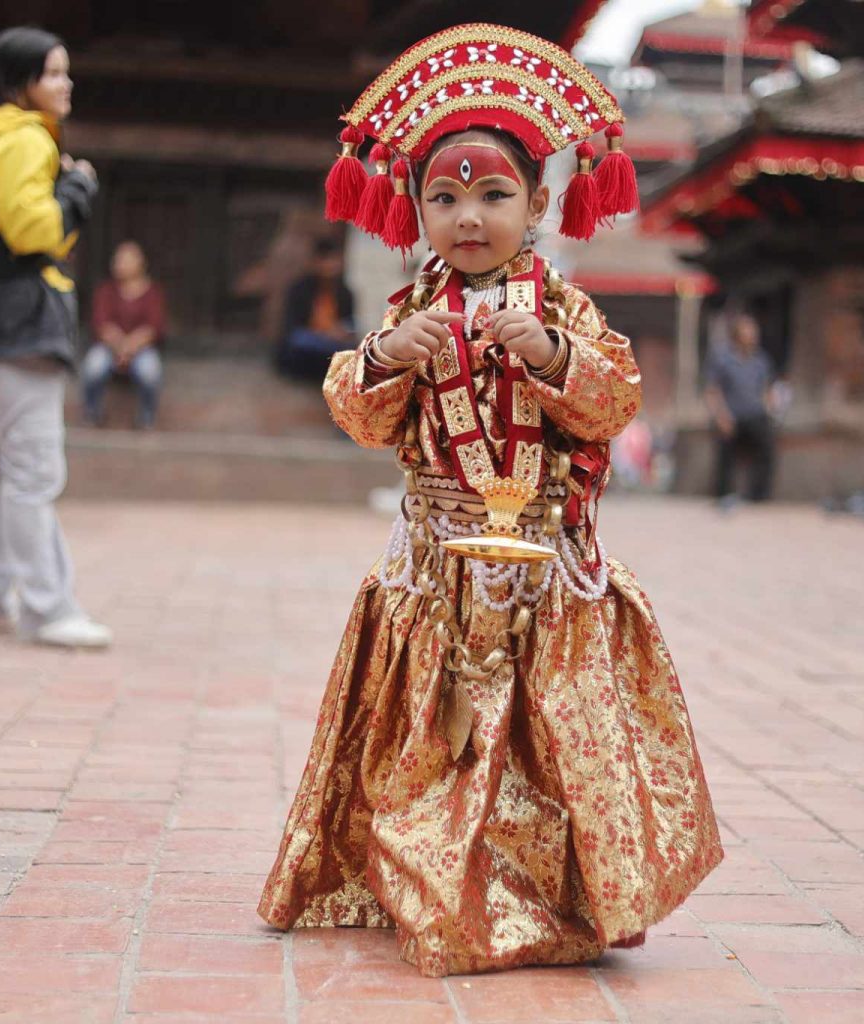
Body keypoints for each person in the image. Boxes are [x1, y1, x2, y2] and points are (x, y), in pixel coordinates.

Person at [258, 25, 722, 977]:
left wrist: (550, 355)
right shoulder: (409, 310)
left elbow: (617, 397)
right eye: (445, 197)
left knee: (543, 746)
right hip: (434, 568)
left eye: (495, 195)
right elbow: (359, 413)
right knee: (431, 743)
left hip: (544, 567)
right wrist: (388, 356)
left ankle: (539, 897)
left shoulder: (562, 310)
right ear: (416, 210)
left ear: (541, 201)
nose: (469, 217)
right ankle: (431, 880)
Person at [0, 26, 111, 649]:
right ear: (22, 83)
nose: (66, 85)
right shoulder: (21, 139)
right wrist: (75, 190)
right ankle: (48, 608)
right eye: (54, 74)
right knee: (32, 471)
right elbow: (31, 231)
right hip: (19, 320)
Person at [81, 240, 165, 428]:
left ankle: (146, 417)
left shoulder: (152, 292)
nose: (119, 264)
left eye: (126, 260)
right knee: (93, 367)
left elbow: (154, 326)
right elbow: (101, 323)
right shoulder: (106, 290)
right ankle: (92, 412)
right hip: (109, 347)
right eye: (117, 260)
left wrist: (130, 347)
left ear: (140, 263)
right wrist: (120, 346)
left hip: (141, 349)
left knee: (150, 372)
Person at [704, 312, 778, 503]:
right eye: (748, 331)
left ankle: (759, 497)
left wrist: (771, 408)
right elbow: (713, 390)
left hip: (755, 415)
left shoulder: (761, 361)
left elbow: (767, 389)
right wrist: (721, 416)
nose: (752, 335)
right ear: (737, 334)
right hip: (731, 415)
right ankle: (723, 494)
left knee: (767, 447)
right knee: (725, 453)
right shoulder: (723, 359)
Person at [275, 237, 356, 381]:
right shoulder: (300, 289)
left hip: (333, 341)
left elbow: (349, 323)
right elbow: (292, 328)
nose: (331, 266)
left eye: (334, 261)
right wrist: (324, 334)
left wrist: (341, 332)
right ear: (316, 262)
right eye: (327, 261)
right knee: (299, 341)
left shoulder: (344, 292)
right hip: (309, 338)